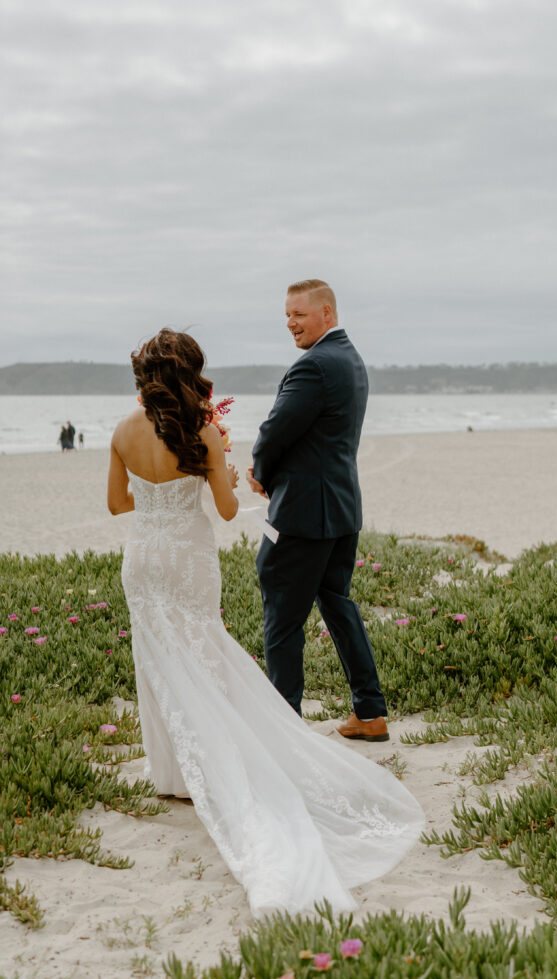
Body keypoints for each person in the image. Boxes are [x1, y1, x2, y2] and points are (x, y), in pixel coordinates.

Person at [108, 327, 422, 917]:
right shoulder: (200, 430)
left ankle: (170, 773)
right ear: (187, 370)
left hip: (142, 560)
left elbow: (117, 504)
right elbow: (227, 511)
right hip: (188, 559)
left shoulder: (123, 430)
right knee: (203, 649)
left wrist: (155, 503)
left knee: (157, 658)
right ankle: (213, 760)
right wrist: (216, 461)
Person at [247, 279, 389, 742]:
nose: (290, 323)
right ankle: (369, 712)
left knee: (282, 614)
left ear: (326, 313)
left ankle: (285, 728)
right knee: (336, 603)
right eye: (287, 315)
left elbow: (275, 430)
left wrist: (262, 475)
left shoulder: (314, 366)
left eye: (299, 314)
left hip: (306, 514)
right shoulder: (351, 360)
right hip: (342, 507)